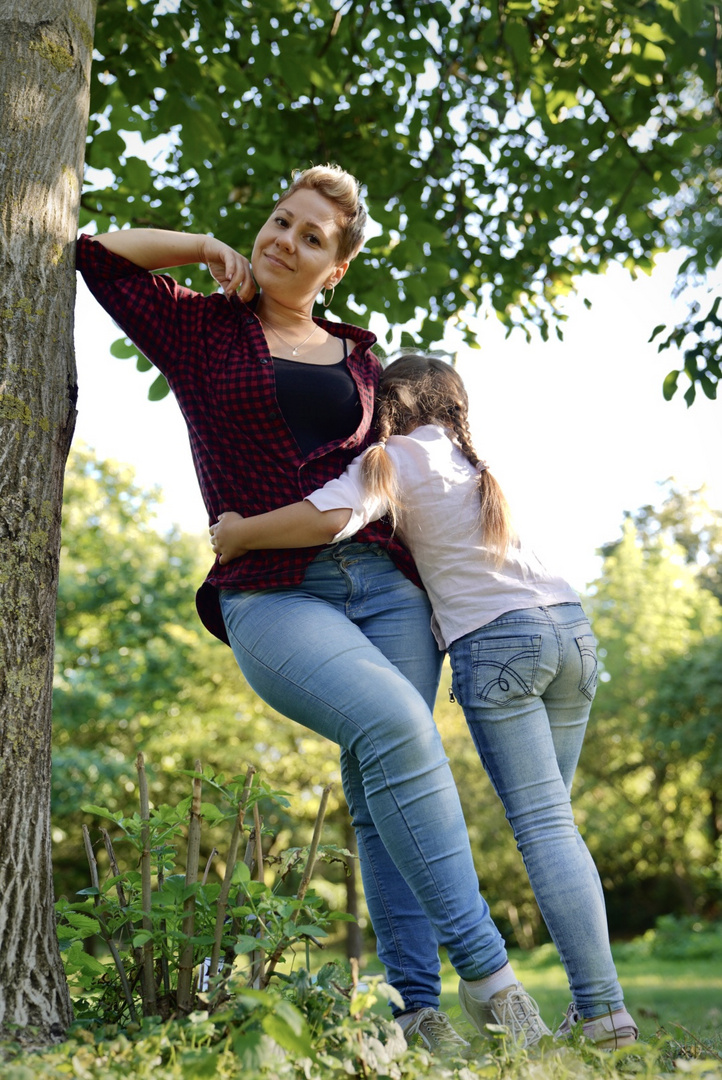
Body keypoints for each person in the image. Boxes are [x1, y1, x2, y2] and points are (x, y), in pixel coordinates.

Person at [76, 165, 551, 1053]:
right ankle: (495, 985)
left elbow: (410, 482)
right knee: (399, 730)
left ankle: (419, 1010)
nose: (284, 241)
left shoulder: (363, 360)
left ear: (335, 268)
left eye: (311, 237)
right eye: (278, 222)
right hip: (270, 593)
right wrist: (203, 247)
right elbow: (97, 257)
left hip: (385, 587)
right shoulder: (201, 330)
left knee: (379, 795)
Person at [209, 353, 640, 1051]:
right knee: (554, 826)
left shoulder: (395, 458)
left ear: (389, 406)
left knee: (539, 827)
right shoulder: (482, 464)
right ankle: (603, 1016)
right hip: (572, 633)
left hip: (497, 643)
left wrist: (240, 533)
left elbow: (333, 517)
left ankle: (597, 1015)